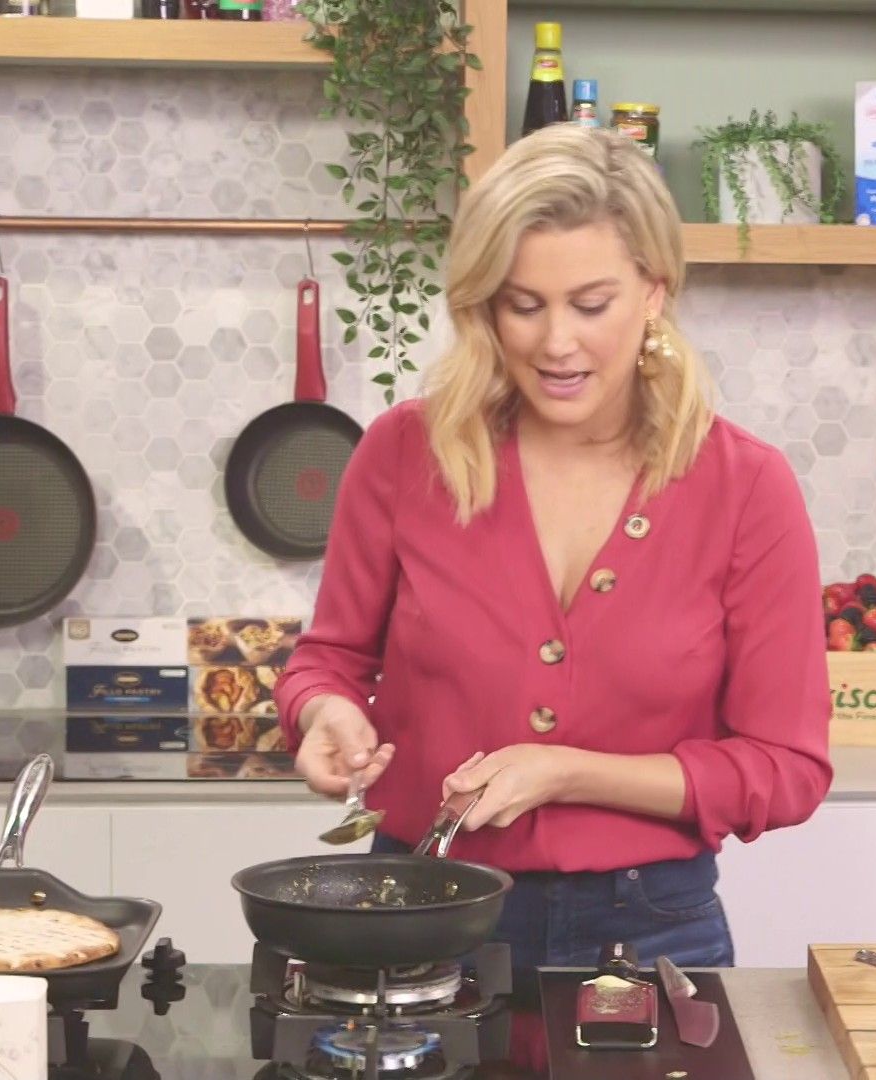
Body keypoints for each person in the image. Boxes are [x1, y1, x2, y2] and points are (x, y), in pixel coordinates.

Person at [273, 123, 832, 970]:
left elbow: (786, 768)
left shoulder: (745, 486)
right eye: (523, 305)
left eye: (591, 304)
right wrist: (324, 711)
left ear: (654, 291)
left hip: (652, 930)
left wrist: (570, 773)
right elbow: (330, 660)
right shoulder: (404, 453)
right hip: (423, 910)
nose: (556, 343)